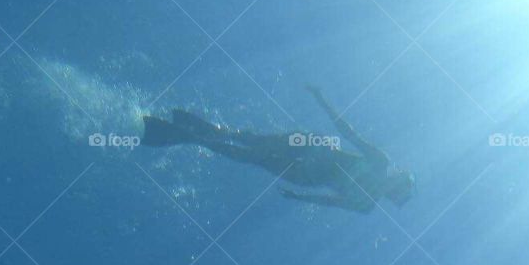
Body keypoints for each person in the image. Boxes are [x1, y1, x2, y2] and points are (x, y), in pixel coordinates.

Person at [140, 85, 414, 213]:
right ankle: (201, 136)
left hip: (308, 165)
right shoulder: (376, 175)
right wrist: (322, 98)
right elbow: (346, 132)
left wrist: (300, 197)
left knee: (252, 151)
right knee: (253, 147)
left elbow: (332, 199)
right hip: (311, 156)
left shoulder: (369, 195)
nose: (392, 186)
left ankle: (197, 137)